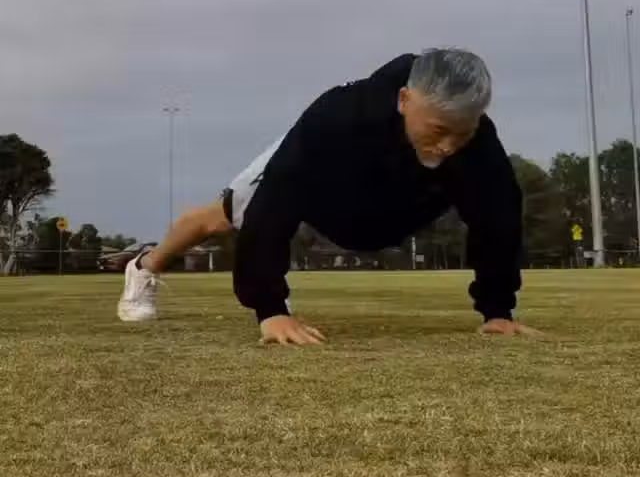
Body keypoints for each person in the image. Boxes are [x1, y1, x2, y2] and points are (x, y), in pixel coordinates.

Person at [118, 47, 537, 344]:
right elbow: (274, 207)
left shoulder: (479, 148)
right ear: (404, 100)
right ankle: (144, 266)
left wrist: (497, 312)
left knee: (489, 191)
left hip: (381, 198)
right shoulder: (337, 118)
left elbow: (497, 223)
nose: (448, 146)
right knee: (220, 218)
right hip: (319, 175)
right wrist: (271, 310)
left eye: (462, 133)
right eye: (439, 131)